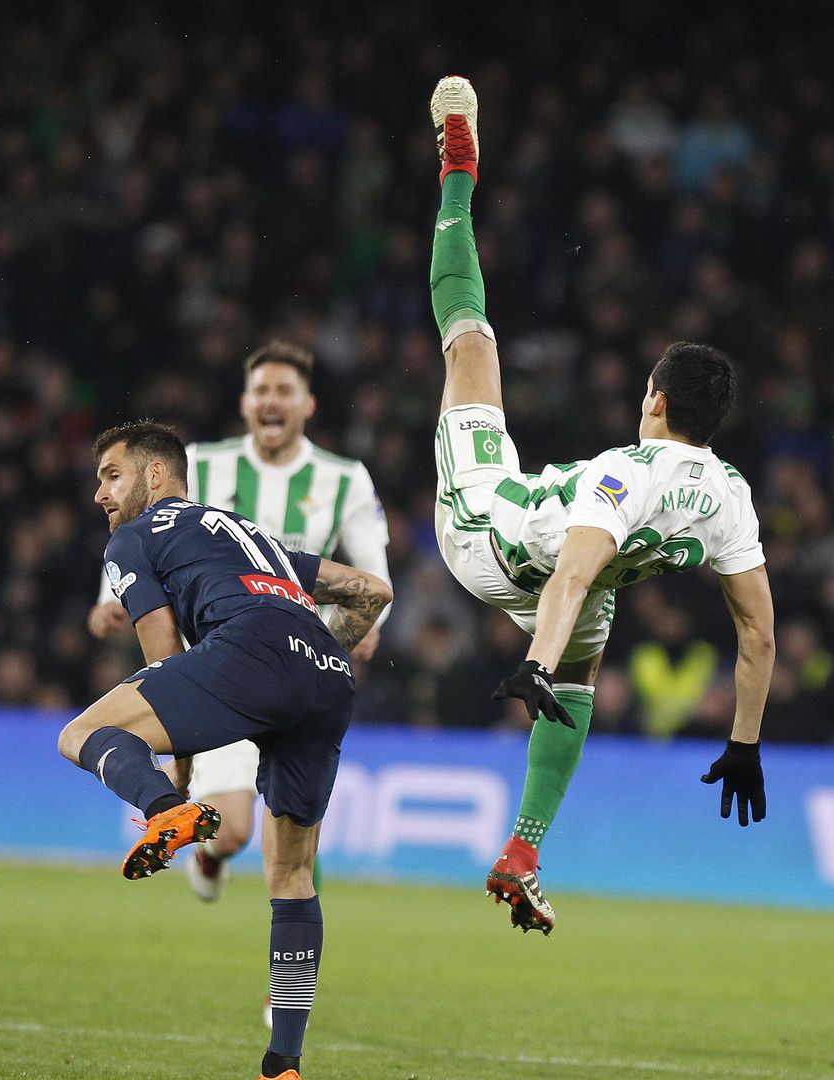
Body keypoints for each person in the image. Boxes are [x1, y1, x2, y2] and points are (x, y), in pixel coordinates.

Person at [426, 76, 777, 934]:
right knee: (585, 671)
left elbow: (574, 572)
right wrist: (744, 742)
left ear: (656, 399)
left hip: (487, 530)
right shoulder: (731, 496)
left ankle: (456, 175)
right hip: (573, 582)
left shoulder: (626, 468)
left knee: (470, 341)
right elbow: (759, 633)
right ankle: (524, 850)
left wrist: (535, 663)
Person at [59, 421, 390, 1080]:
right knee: (292, 876)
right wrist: (319, 655)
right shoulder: (247, 535)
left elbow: (161, 655)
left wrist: (175, 789)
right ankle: (284, 1064)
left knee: (81, 734)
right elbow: (370, 593)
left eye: (111, 475)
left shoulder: (135, 538)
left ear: (156, 476)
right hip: (326, 671)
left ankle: (159, 811)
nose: (99, 493)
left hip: (247, 650)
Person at [88, 341, 390, 903]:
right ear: (246, 402)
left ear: (308, 405)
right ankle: (215, 856)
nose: (271, 401)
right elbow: (141, 536)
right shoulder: (200, 461)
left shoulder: (345, 477)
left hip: (284, 650)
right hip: (230, 657)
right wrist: (112, 596)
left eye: (284, 391)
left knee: (289, 848)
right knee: (236, 831)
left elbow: (373, 575)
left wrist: (349, 633)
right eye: (261, 390)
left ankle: (186, 824)